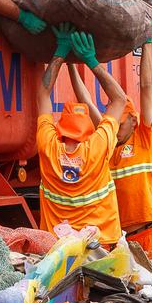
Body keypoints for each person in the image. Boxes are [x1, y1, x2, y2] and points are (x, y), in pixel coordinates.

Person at [67, 25, 152, 257]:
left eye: (120, 123)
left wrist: (146, 43)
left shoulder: (145, 137)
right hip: (121, 241)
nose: (114, 127)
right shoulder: (107, 141)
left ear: (133, 121)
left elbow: (146, 86)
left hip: (150, 235)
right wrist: (70, 62)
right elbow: (85, 98)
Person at [35, 24, 128, 246]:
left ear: (60, 130)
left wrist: (60, 51)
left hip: (58, 251)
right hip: (100, 247)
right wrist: (91, 60)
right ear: (88, 131)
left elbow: (43, 93)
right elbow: (119, 100)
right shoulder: (97, 147)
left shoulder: (48, 145)